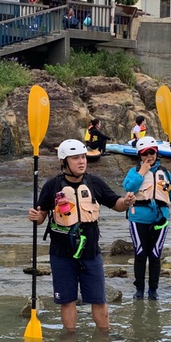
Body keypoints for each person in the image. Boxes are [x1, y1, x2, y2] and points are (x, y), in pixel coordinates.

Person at [28, 139, 136, 332]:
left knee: (98, 299)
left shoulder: (94, 183)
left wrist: (126, 202)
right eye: (75, 158)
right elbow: (41, 217)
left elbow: (116, 204)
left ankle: (103, 338)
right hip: (61, 254)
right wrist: (35, 217)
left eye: (83, 157)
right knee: (67, 301)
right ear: (64, 162)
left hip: (91, 253)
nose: (81, 161)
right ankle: (69, 340)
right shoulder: (52, 186)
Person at [123, 136, 171, 300]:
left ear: (156, 153)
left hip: (160, 219)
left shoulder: (165, 173)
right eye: (145, 154)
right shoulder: (134, 171)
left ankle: (153, 290)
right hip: (138, 218)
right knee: (140, 253)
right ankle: (139, 289)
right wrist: (142, 171)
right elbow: (129, 187)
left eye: (152, 152)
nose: (149, 156)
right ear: (139, 155)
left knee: (155, 254)